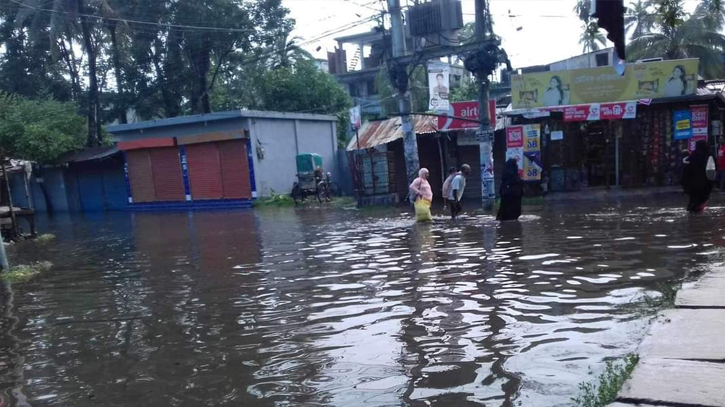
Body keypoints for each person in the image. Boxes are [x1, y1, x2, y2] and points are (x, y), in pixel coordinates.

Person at [683, 140, 714, 213]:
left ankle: (692, 214)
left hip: (692, 185)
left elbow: (686, 170)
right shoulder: (708, 155)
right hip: (704, 184)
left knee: (693, 201)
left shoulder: (693, 155)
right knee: (701, 200)